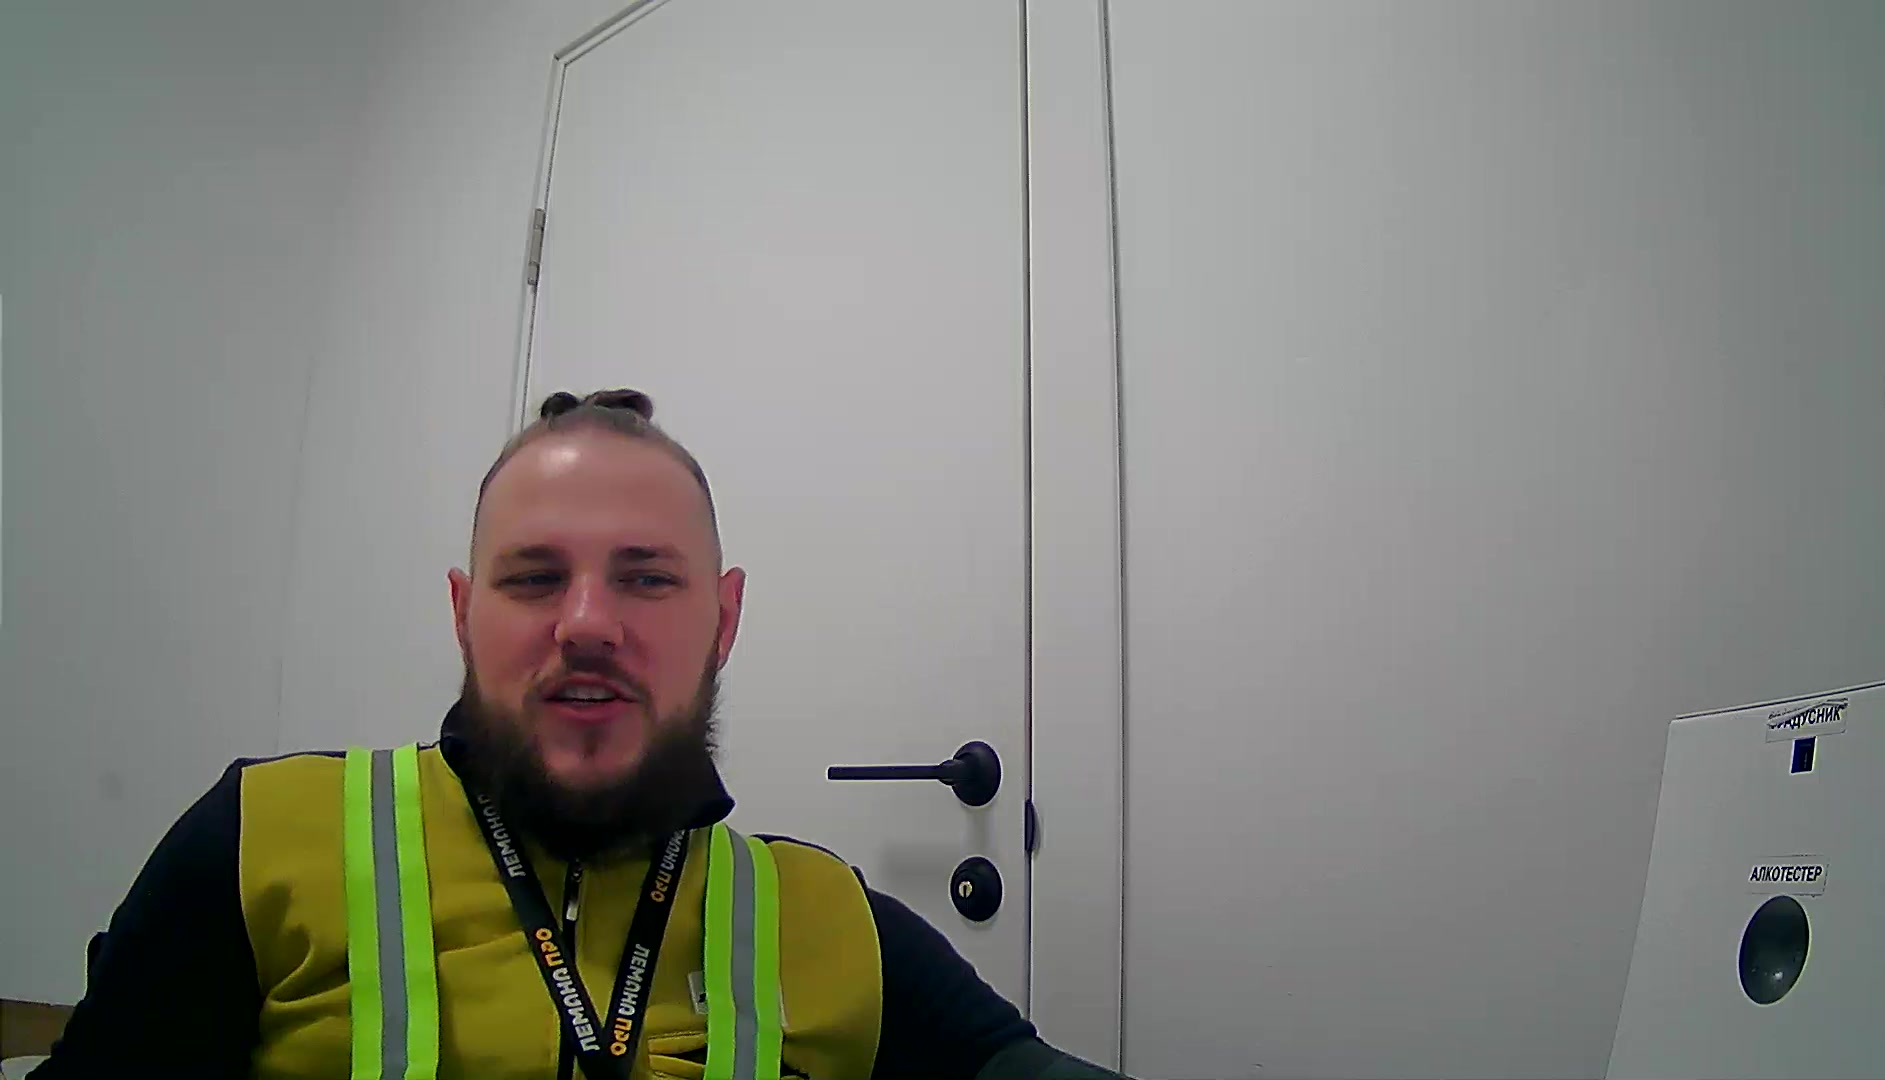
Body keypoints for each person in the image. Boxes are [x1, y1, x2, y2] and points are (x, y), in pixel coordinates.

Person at [32, 389, 1124, 1079]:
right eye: (534, 578)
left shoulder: (829, 918)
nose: (589, 624)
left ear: (724, 621)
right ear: (463, 613)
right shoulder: (261, 841)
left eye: (646, 578)